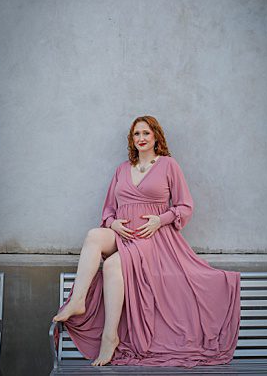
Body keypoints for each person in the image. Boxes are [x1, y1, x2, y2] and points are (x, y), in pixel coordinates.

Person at [52, 115, 241, 366]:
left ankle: (110, 337)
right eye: (136, 134)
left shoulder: (168, 165)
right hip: (123, 233)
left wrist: (159, 220)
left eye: (145, 133)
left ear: (156, 137)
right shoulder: (122, 169)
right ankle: (78, 300)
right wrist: (112, 223)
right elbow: (108, 209)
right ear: (132, 140)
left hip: (152, 239)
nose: (141, 138)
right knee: (93, 235)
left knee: (111, 265)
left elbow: (185, 206)